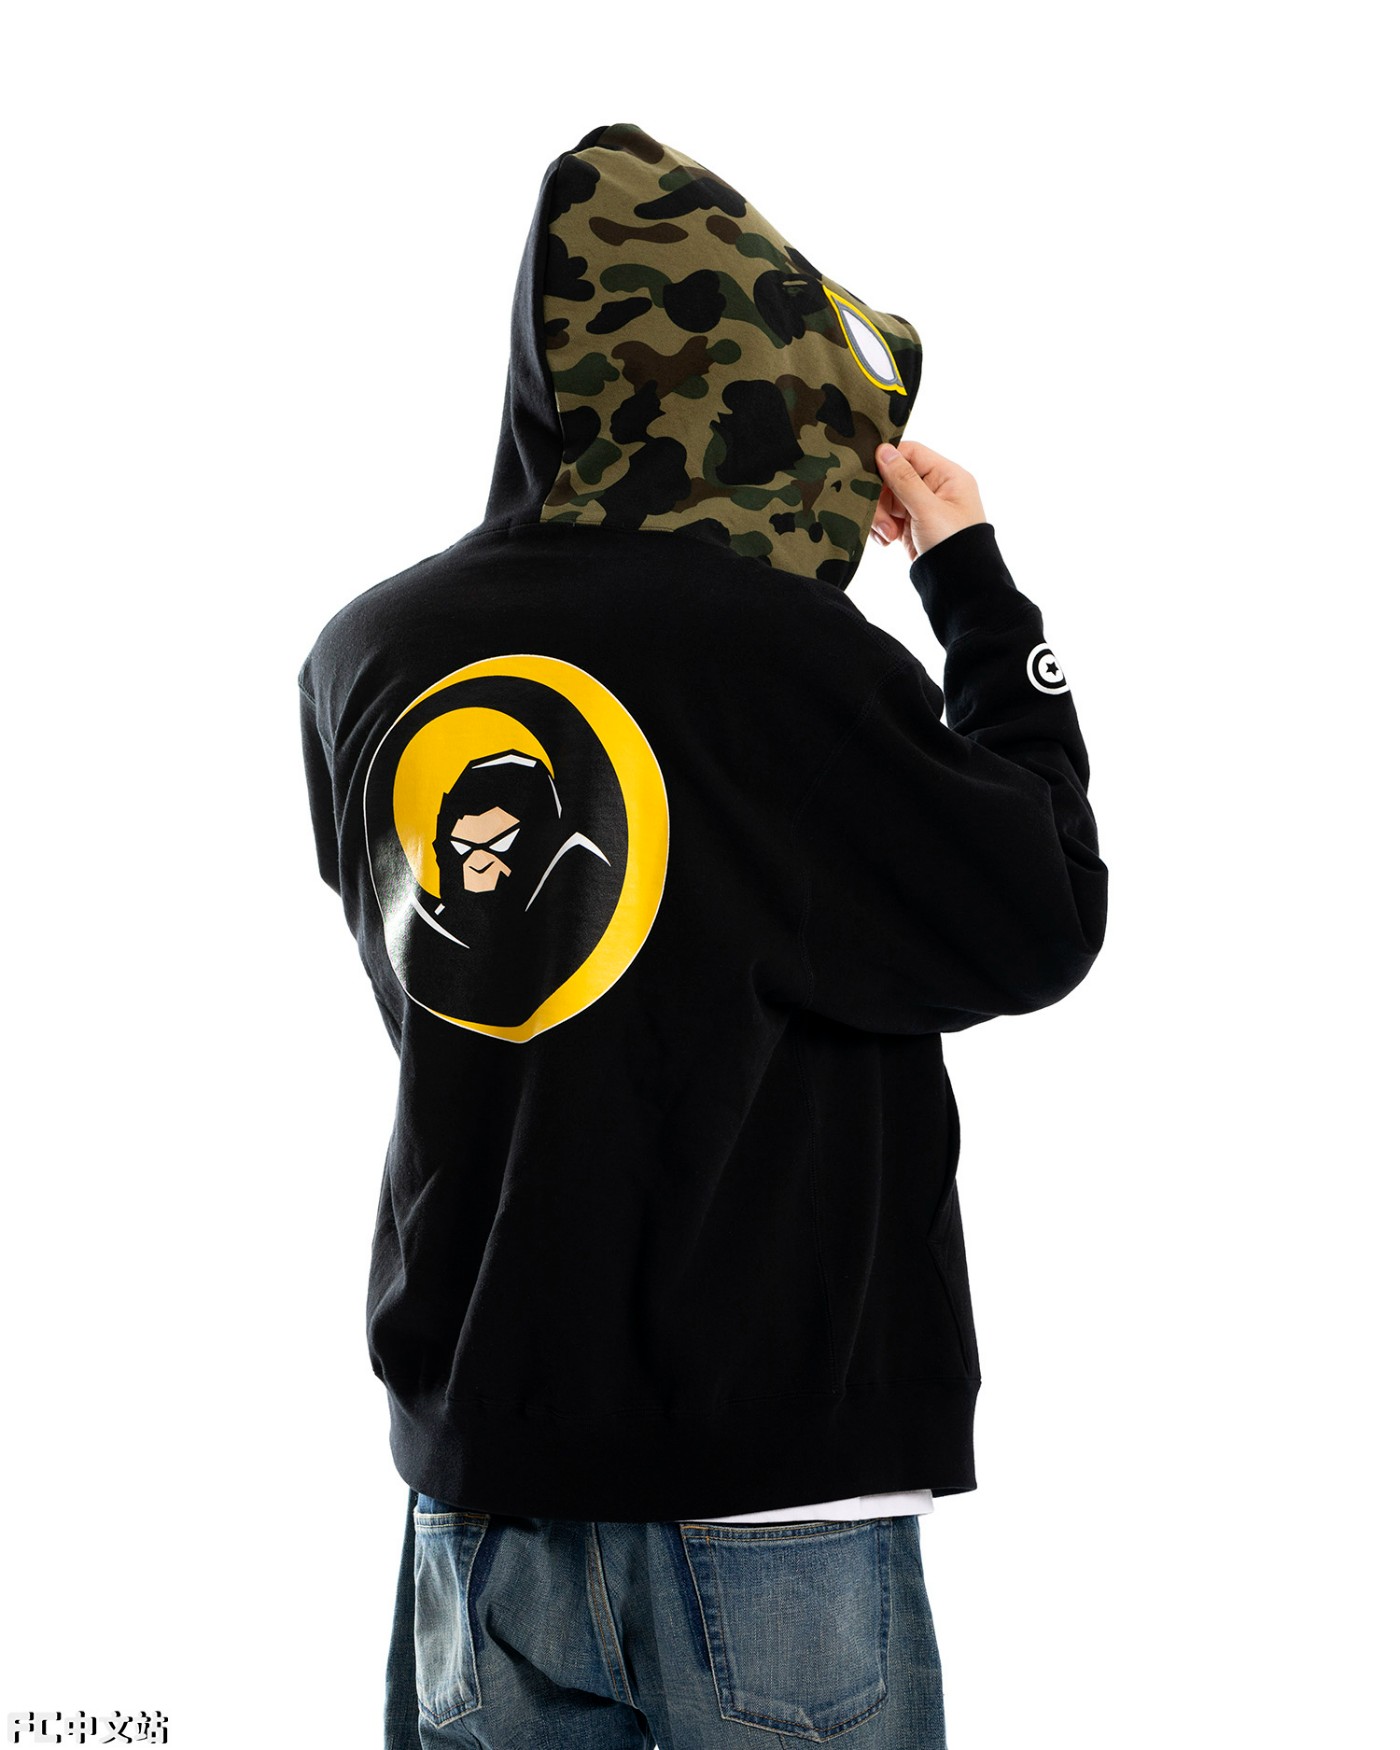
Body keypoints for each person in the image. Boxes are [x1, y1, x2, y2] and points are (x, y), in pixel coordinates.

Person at [296, 120, 1108, 1750]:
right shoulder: (788, 656)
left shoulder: (362, 656)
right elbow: (1042, 914)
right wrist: (975, 589)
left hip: (477, 1496)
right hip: (773, 1492)